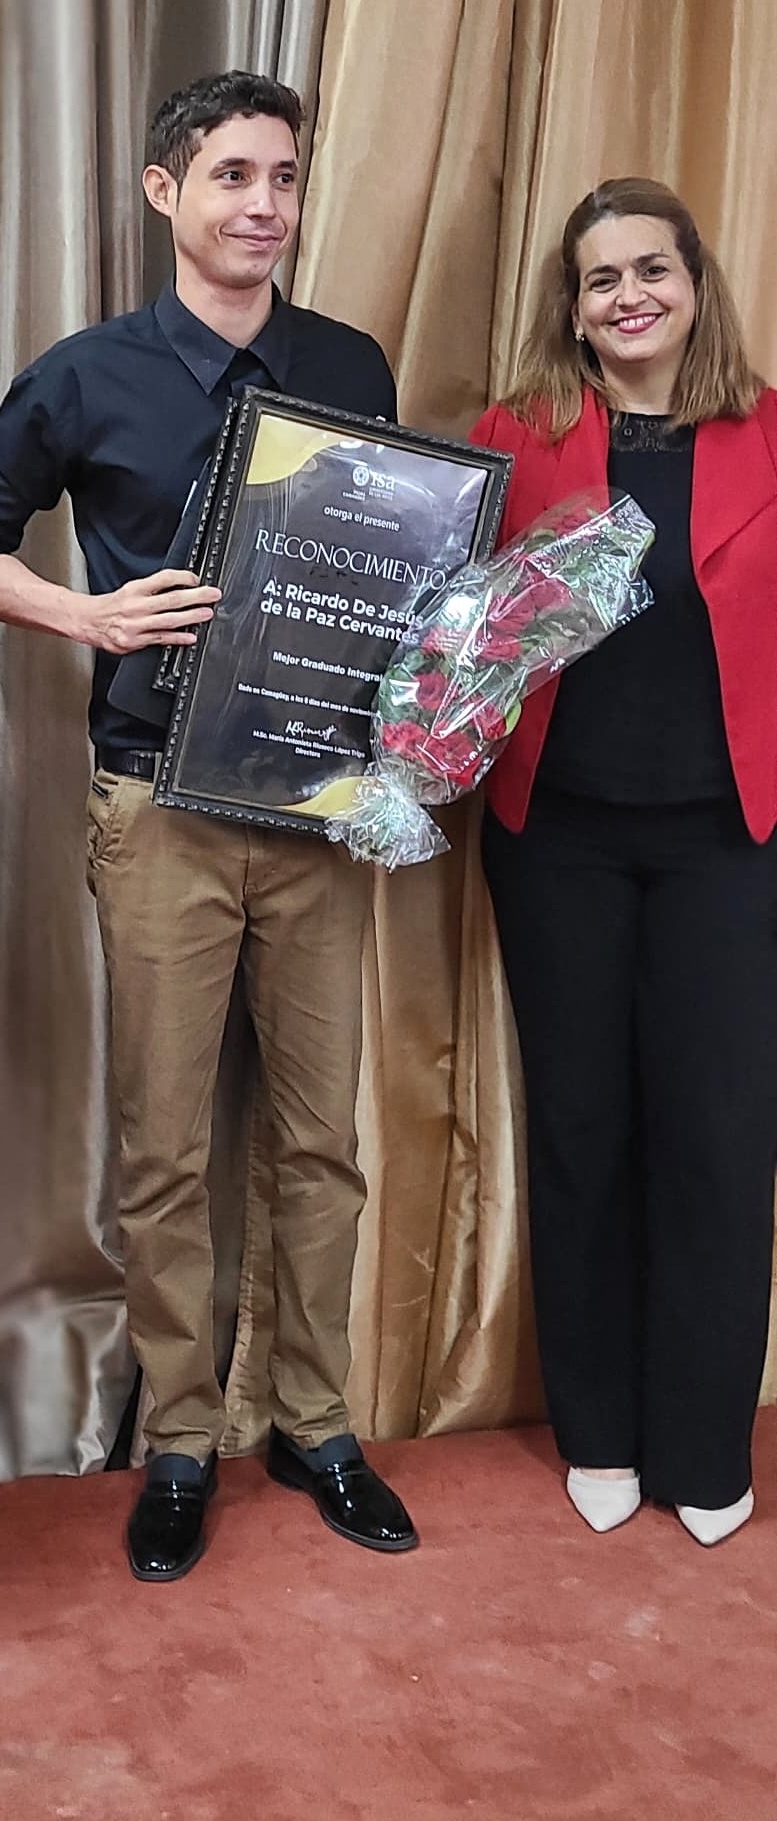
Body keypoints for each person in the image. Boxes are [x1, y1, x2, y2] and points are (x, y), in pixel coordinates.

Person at [0, 71, 416, 1580]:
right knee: (159, 1152)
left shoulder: (350, 362)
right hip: (156, 805)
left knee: (319, 1140)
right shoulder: (85, 373)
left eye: (281, 177)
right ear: (164, 193)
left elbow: (384, 573)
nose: (260, 204)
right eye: (230, 177)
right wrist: (81, 610)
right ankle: (185, 1439)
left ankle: (317, 1423)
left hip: (320, 808)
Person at [469, 178, 777, 1545]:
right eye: (600, 278)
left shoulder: (771, 432)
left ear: (693, 282)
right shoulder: (510, 436)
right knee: (583, 1130)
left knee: (718, 1140)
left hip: (732, 845)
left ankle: (703, 1442)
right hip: (558, 840)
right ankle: (595, 1427)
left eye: (649, 268)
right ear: (572, 305)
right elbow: (447, 627)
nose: (627, 295)